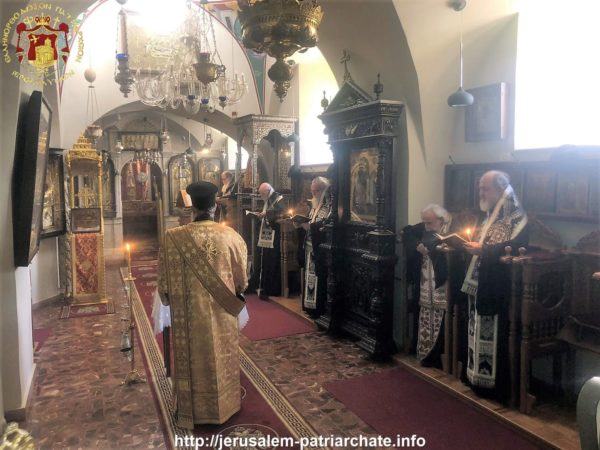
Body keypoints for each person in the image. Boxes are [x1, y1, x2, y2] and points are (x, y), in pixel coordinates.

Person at [157, 181, 248, 429]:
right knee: (222, 355)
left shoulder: (172, 238)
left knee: (193, 359)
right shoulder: (231, 236)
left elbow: (164, 285)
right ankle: (226, 404)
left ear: (192, 206)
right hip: (222, 315)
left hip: (189, 318)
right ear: (214, 205)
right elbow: (242, 281)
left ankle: (192, 408)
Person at [461, 170, 528, 402]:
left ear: (500, 190)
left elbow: (517, 245)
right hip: (481, 283)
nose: (481, 193)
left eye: (485, 188)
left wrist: (483, 250)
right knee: (475, 331)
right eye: (480, 188)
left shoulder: (515, 217)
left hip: (500, 286)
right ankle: (474, 378)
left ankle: (492, 387)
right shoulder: (491, 214)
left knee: (494, 336)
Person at [403, 204, 452, 367]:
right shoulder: (425, 227)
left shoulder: (452, 229)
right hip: (425, 287)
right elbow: (407, 231)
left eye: (429, 223)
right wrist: (417, 244)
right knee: (424, 317)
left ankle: (438, 358)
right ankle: (425, 354)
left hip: (444, 287)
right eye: (424, 222)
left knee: (443, 320)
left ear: (441, 219)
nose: (426, 226)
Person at [299, 177, 332, 317]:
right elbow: (311, 222)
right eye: (312, 191)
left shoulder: (328, 207)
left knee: (317, 278)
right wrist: (300, 223)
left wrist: (310, 227)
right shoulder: (315, 205)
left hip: (318, 250)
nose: (313, 194)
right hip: (309, 247)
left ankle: (317, 309)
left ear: (323, 190)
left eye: (316, 191)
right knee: (309, 278)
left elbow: (323, 227)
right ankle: (309, 307)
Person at [252, 182, 284, 299]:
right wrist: (260, 214)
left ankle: (272, 288)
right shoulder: (269, 200)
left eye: (263, 194)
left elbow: (282, 212)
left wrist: (266, 213)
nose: (261, 196)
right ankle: (262, 286)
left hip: (275, 235)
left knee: (271, 260)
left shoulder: (279, 198)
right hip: (266, 235)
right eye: (260, 194)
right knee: (264, 260)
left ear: (269, 191)